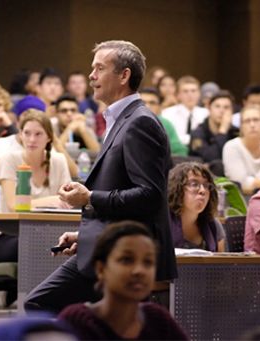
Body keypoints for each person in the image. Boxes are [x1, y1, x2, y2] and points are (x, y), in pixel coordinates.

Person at [24, 40, 176, 314]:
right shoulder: (121, 119)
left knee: (40, 303)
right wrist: (85, 236)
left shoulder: (139, 122)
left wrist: (90, 197)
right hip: (107, 246)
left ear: (124, 75)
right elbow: (127, 196)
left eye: (99, 68)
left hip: (129, 256)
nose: (91, 75)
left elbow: (150, 196)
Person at [58, 221, 188, 340]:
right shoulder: (78, 321)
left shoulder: (157, 320)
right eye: (127, 260)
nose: (139, 270)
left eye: (148, 262)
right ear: (101, 269)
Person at [0, 109, 71, 262]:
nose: (31, 140)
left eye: (38, 134)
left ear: (49, 137)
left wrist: (53, 201)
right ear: (20, 134)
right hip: (12, 234)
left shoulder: (59, 161)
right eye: (27, 133)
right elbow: (13, 206)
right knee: (39, 246)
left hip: (49, 232)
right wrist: (51, 200)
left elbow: (67, 203)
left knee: (73, 245)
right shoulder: (9, 159)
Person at [0, 95, 79, 179]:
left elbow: (74, 173)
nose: (31, 119)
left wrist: (55, 142)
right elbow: (6, 172)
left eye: (36, 115)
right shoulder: (0, 144)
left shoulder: (46, 147)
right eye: (26, 114)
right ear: (18, 121)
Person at [168, 162, 225, 252]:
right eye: (194, 184)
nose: (202, 190)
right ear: (176, 189)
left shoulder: (214, 225)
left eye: (206, 185)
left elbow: (218, 264)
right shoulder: (162, 224)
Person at [223, 105, 260, 192]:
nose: (252, 125)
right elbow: (241, 183)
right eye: (247, 121)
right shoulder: (232, 147)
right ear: (241, 127)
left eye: (256, 120)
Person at [189, 90, 239, 174]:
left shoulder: (235, 133)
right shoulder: (198, 133)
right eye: (217, 106)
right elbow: (212, 158)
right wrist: (223, 131)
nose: (221, 111)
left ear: (232, 111)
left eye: (226, 107)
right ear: (209, 108)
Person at [138, 86, 187, 156]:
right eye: (143, 102)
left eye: (152, 103)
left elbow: (181, 151)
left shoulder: (166, 124)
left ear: (160, 108)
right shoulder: (126, 122)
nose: (147, 106)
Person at [161, 75, 209, 145]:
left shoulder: (206, 114)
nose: (190, 95)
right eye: (185, 91)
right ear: (178, 95)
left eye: (193, 91)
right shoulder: (167, 114)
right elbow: (169, 138)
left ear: (199, 94)